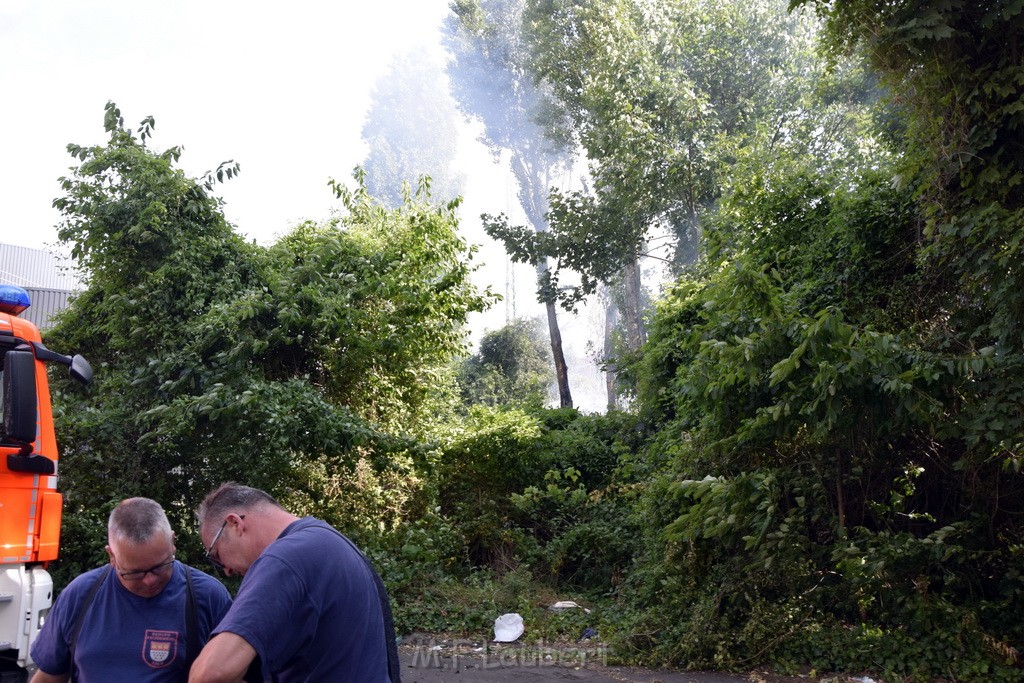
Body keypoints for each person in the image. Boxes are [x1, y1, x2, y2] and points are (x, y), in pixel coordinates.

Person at [188, 483, 399, 683]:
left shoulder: (284, 559)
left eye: (215, 555)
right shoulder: (326, 539)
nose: (225, 569)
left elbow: (208, 673)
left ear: (235, 524)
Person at [30, 497, 233, 682]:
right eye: (135, 572)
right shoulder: (80, 595)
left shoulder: (206, 597)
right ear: (112, 556)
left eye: (160, 566)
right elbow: (49, 677)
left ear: (172, 543)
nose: (149, 580)